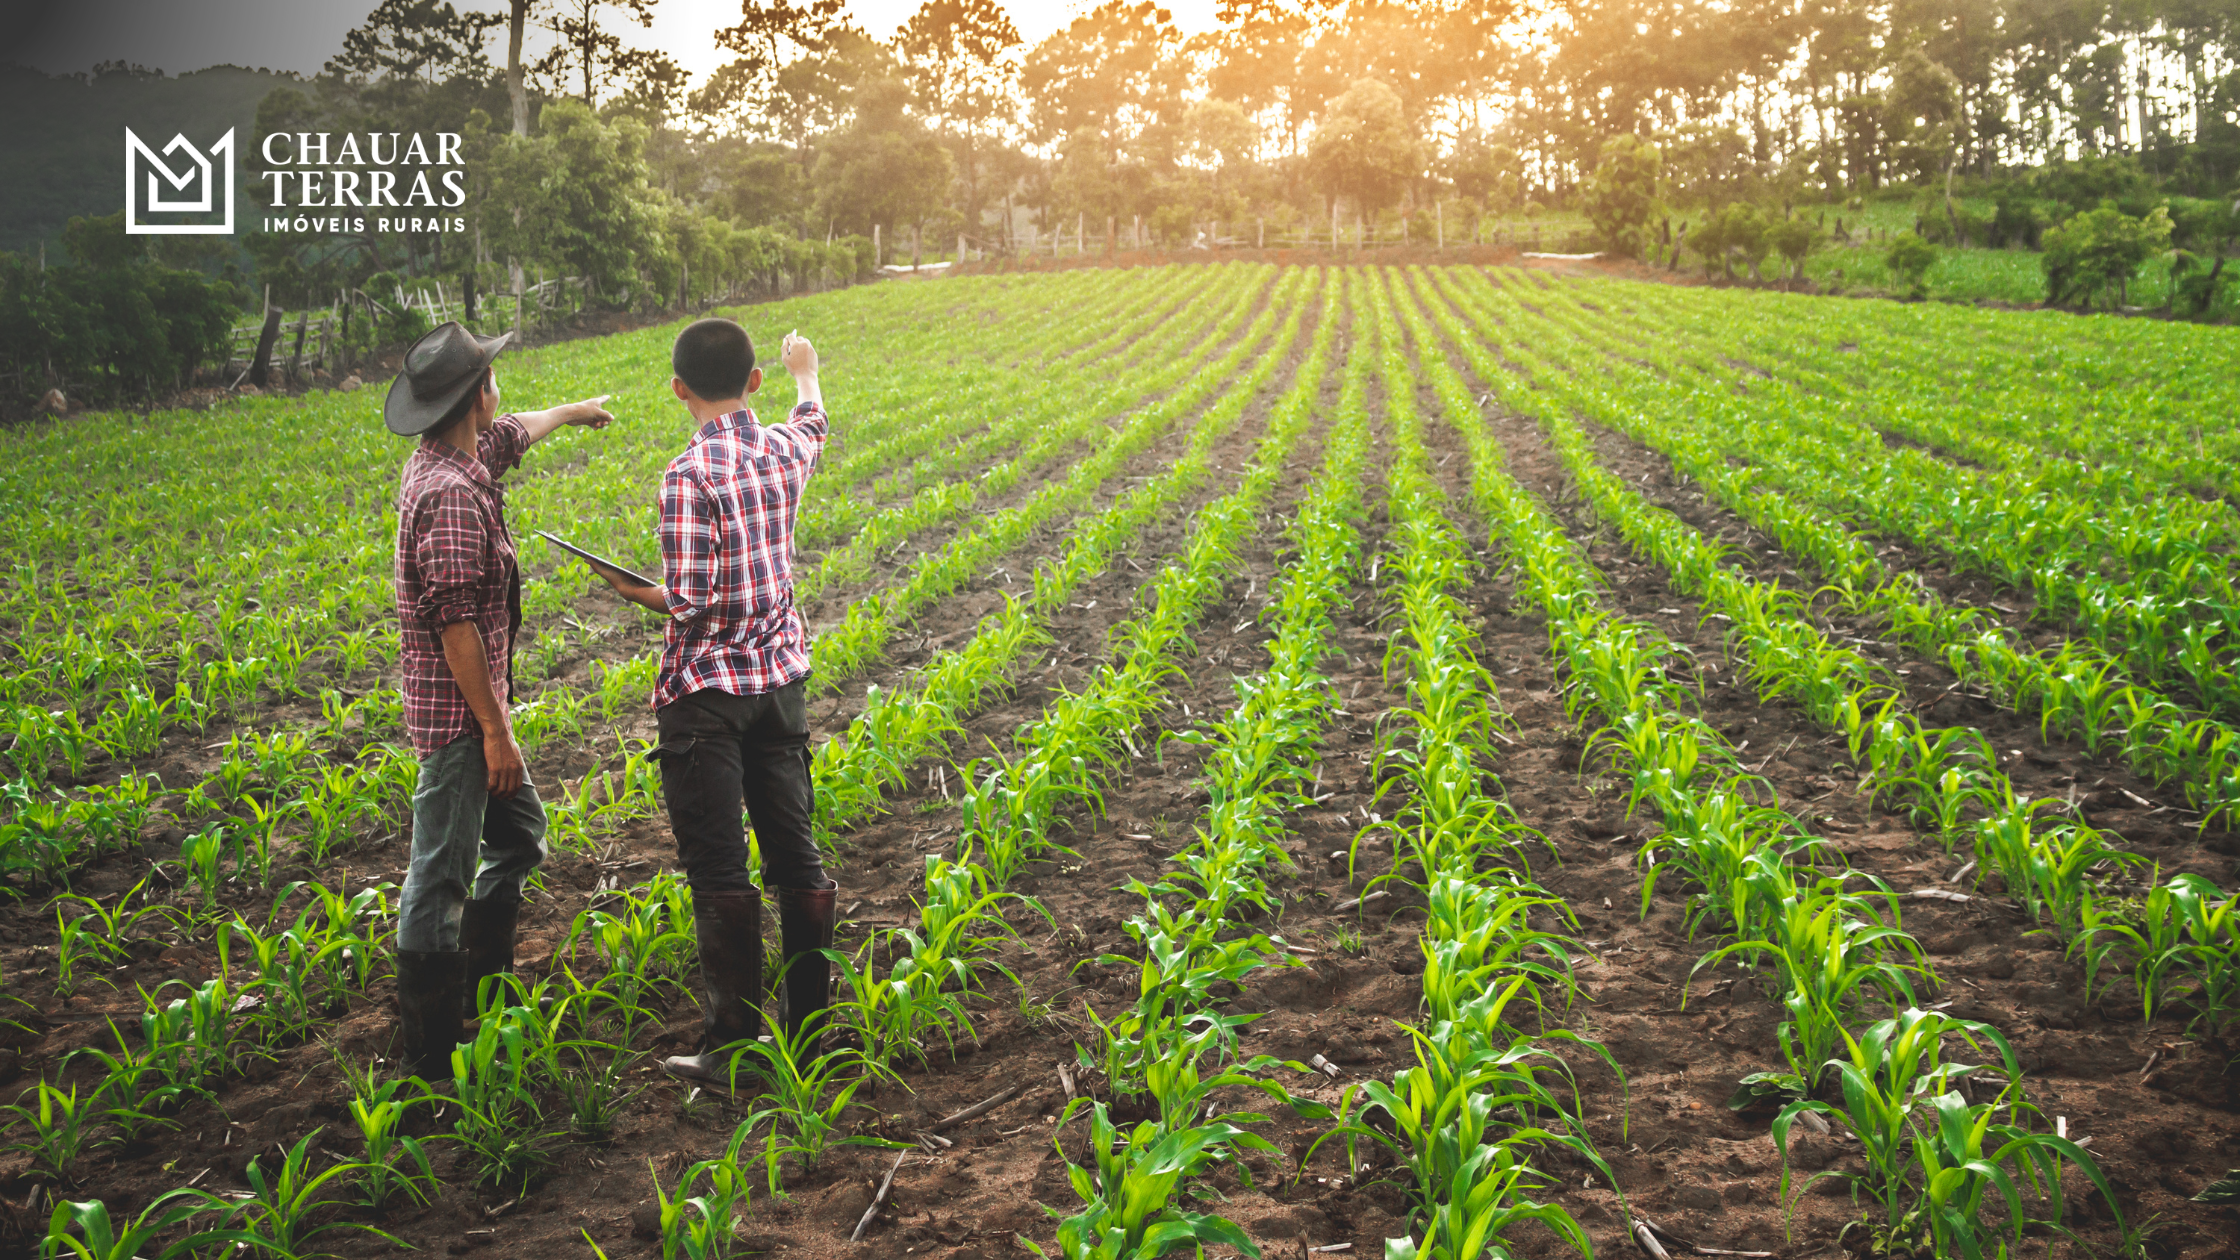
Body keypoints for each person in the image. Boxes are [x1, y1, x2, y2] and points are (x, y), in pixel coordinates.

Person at [593, 318, 834, 1085]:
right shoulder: (784, 449)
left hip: (705, 697)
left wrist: (633, 590)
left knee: (720, 867)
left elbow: (690, 602)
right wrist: (806, 370)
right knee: (795, 854)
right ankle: (811, 1034)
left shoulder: (686, 477)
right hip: (780, 685)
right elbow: (814, 421)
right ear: (753, 382)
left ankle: (733, 1046)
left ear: (677, 390)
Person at [386, 320, 615, 1079]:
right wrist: (496, 734)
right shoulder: (450, 496)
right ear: (476, 395)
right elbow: (456, 630)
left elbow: (517, 432)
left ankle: (487, 994)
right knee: (439, 876)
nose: (500, 390)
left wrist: (577, 410)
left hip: (472, 714)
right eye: (491, 376)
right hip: (461, 721)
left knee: (517, 838)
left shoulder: (460, 454)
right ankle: (429, 1060)